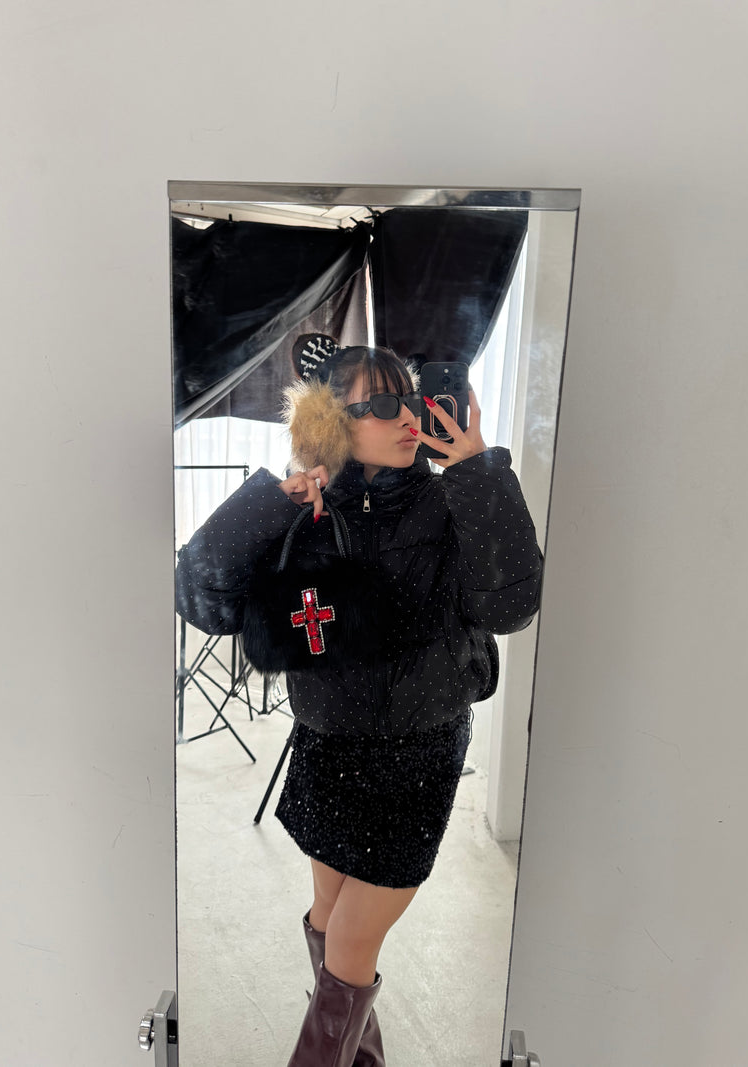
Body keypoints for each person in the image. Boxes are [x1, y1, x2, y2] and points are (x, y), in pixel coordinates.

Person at [175, 335, 543, 1067]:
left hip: (420, 755)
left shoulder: (452, 499)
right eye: (379, 404)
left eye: (408, 397)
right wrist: (269, 502)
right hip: (327, 745)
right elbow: (200, 599)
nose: (405, 415)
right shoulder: (302, 509)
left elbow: (511, 606)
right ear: (331, 423)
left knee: (348, 939)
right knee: (327, 918)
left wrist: (476, 471)